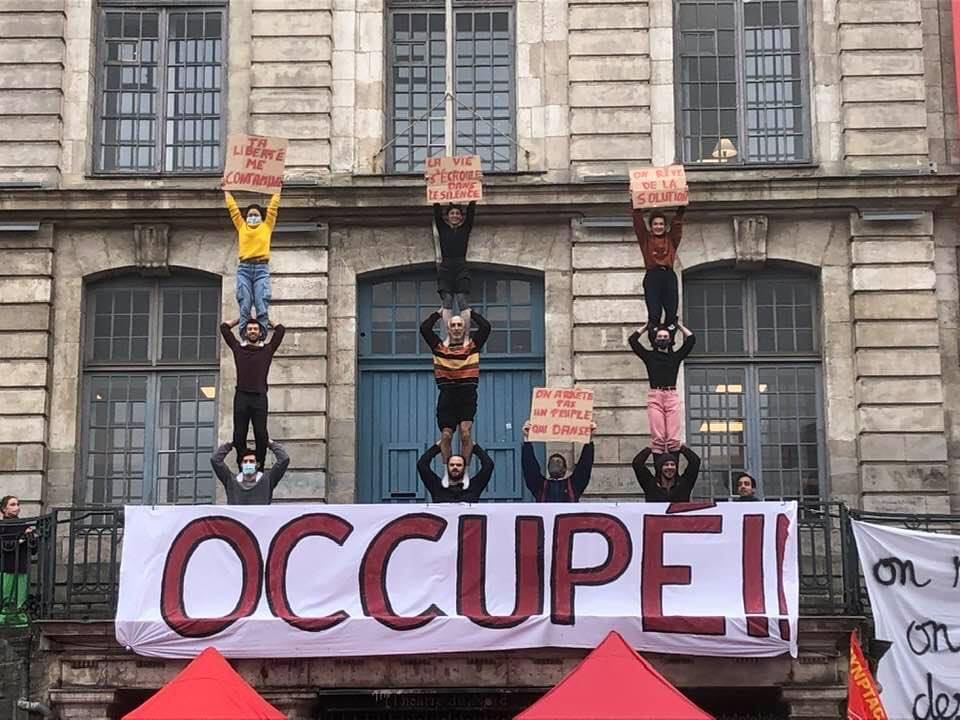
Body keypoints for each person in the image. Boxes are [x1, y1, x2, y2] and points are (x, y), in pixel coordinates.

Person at [419, 308, 491, 466]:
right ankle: (448, 471)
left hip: (467, 393)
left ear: (464, 329)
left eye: (460, 325)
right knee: (446, 436)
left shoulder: (472, 346)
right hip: (447, 394)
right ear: (448, 328)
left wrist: (470, 312)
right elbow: (424, 328)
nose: (457, 328)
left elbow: (485, 327)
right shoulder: (439, 348)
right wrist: (438, 313)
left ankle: (464, 469)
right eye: (454, 325)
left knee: (465, 434)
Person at [220, 318, 286, 469]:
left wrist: (266, 318)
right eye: (249, 329)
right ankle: (242, 466)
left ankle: (260, 467)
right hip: (242, 396)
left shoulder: (267, 350)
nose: (252, 331)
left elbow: (280, 330)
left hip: (259, 397)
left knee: (261, 435)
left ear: (261, 332)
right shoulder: (238, 348)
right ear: (244, 332)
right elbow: (224, 328)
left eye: (255, 329)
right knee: (238, 435)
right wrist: (241, 318)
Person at [629, 321, 695, 455]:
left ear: (670, 340)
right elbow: (633, 340)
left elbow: (691, 339)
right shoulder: (649, 356)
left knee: (673, 437)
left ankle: (673, 470)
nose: (662, 339)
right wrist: (646, 327)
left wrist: (679, 326)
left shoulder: (675, 356)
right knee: (658, 437)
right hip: (655, 396)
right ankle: (659, 471)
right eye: (659, 337)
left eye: (665, 337)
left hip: (671, 395)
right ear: (655, 340)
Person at [224, 189, 281, 336]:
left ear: (261, 217)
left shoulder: (266, 226)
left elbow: (273, 208)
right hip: (244, 269)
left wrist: (278, 190)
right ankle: (244, 337)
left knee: (261, 305)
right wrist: (227, 191)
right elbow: (233, 210)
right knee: (245, 305)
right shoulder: (242, 226)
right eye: (250, 215)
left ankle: (261, 337)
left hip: (261, 269)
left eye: (255, 215)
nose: (252, 217)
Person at [632, 204, 685, 339]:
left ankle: (670, 342)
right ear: (651, 226)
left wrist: (681, 209)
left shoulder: (671, 239)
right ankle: (654, 342)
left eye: (661, 224)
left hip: (668, 275)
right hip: (652, 276)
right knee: (654, 314)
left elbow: (677, 226)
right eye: (655, 224)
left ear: (665, 226)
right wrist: (635, 205)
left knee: (671, 312)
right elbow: (638, 224)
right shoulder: (646, 239)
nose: (658, 226)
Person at [521, 421, 596, 502]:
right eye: (552, 462)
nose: (555, 464)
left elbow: (585, 465)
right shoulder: (540, 486)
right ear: (548, 468)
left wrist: (589, 439)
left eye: (558, 462)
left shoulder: (574, 485)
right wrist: (527, 439)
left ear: (565, 468)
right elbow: (529, 467)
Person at [434, 201, 476, 328]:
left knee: (462, 299)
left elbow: (471, 213)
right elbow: (436, 212)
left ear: (461, 217)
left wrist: (472, 199)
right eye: (452, 213)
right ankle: (448, 335)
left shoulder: (465, 228)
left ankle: (466, 336)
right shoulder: (443, 228)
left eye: (457, 213)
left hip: (460, 264)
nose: (455, 215)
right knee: (447, 300)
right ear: (447, 216)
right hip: (446, 265)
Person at [210, 441, 289, 505]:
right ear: (241, 464)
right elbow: (215, 460)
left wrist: (270, 443)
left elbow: (284, 459)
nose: (248, 463)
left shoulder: (267, 480)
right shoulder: (231, 481)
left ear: (257, 465)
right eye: (245, 461)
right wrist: (230, 444)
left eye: (251, 461)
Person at [0, 496, 36, 627]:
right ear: (4, 509)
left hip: (22, 564)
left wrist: (30, 536)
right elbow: (3, 546)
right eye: (13, 504)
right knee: (7, 594)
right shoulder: (2, 525)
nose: (17, 507)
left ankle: (20, 617)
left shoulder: (23, 524)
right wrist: (19, 539)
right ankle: (5, 618)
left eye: (18, 504)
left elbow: (33, 549)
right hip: (7, 565)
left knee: (21, 596)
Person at [416, 443, 494, 503]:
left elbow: (488, 465)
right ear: (447, 467)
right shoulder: (437, 487)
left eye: (459, 465)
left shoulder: (474, 487)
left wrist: (473, 445)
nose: (455, 467)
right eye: (452, 465)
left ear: (464, 468)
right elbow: (422, 465)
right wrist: (439, 445)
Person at [632, 445, 701, 502]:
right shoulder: (651, 485)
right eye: (666, 464)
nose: (670, 467)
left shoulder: (684, 485)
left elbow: (695, 462)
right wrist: (650, 449)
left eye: (672, 464)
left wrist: (682, 448)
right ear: (660, 468)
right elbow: (637, 464)